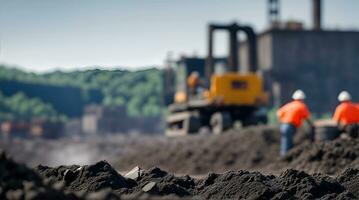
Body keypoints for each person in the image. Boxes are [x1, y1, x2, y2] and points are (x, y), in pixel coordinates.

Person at [277, 90, 312, 156]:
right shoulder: (302, 106)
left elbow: (278, 113)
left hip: (283, 125)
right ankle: (285, 156)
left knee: (285, 141)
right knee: (288, 141)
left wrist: (281, 122)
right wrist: (312, 125)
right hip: (290, 126)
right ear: (302, 99)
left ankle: (284, 155)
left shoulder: (289, 105)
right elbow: (307, 118)